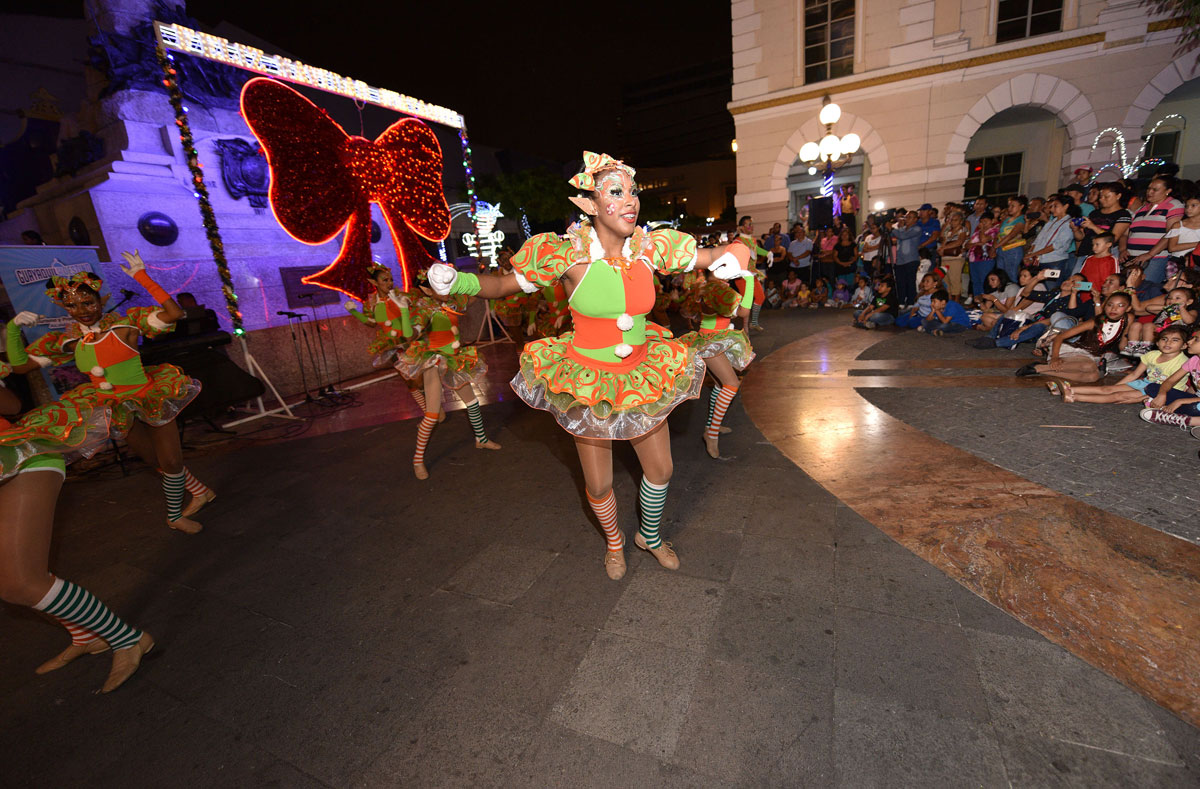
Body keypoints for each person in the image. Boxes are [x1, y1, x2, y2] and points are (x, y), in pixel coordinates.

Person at [426, 151, 752, 579]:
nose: (630, 200)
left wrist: (737, 251)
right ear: (591, 205)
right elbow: (504, 284)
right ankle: (614, 543)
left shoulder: (650, 250)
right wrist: (460, 281)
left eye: (632, 191)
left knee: (662, 469)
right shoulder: (567, 257)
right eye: (616, 192)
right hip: (588, 381)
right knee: (598, 484)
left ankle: (648, 536)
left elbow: (708, 258)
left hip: (643, 373)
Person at [5, 255, 212, 534]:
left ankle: (174, 516)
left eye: (88, 302)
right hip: (112, 405)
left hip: (149, 395)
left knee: (172, 460)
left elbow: (174, 314)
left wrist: (142, 276)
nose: (82, 310)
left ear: (100, 301)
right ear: (64, 307)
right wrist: (13, 328)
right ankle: (201, 492)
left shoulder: (126, 325)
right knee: (152, 460)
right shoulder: (67, 341)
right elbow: (20, 367)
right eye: (72, 305)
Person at [0, 378, 154, 694]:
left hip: (21, 459)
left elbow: (11, 406)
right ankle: (86, 636)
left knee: (20, 583)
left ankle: (128, 639)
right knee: (14, 570)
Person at [393, 274, 501, 479]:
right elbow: (410, 335)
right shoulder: (424, 308)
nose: (445, 289)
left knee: (472, 402)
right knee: (432, 414)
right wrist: (405, 311)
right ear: (426, 290)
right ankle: (417, 460)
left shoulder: (452, 300)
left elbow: (478, 293)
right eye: (438, 286)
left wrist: (493, 278)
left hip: (454, 358)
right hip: (434, 360)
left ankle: (481, 439)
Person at [344, 263, 444, 418]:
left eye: (391, 279)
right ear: (374, 283)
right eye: (385, 280)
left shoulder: (401, 296)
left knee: (420, 380)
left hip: (409, 342)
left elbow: (416, 310)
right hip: (391, 346)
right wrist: (353, 312)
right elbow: (371, 323)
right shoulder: (371, 303)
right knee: (410, 383)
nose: (390, 283)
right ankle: (428, 414)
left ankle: (435, 411)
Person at [680, 270, 755, 458]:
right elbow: (744, 312)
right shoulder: (719, 290)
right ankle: (711, 434)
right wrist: (749, 280)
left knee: (720, 385)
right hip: (712, 342)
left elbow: (689, 312)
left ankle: (712, 425)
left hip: (711, 337)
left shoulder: (703, 286)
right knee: (731, 384)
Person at [1015, 292, 1133, 382]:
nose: (1113, 309)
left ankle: (1039, 369)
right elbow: (1060, 337)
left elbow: (1122, 343)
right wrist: (1055, 357)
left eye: (1120, 305)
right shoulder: (1094, 322)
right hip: (1071, 351)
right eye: (1110, 305)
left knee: (1094, 376)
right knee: (1088, 366)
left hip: (1091, 357)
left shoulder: (1128, 319)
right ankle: (1042, 367)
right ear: (1104, 306)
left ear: (1128, 309)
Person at [1053, 325, 1188, 404]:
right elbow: (1135, 374)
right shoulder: (1152, 355)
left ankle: (1074, 397)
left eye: (1174, 340)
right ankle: (1064, 389)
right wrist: (1116, 387)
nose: (1168, 343)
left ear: (1184, 345)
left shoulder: (1183, 362)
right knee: (1107, 390)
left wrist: (1145, 397)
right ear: (1157, 342)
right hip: (1147, 384)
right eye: (1164, 339)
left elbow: (1172, 385)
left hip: (1165, 391)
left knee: (1117, 396)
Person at [1124, 174, 1185, 284]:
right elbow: (1126, 233)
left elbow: (1171, 233)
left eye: (1155, 189)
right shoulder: (1142, 208)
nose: (1150, 192)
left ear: (1168, 191)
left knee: (1146, 288)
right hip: (1133, 257)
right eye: (1149, 188)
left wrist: (1150, 254)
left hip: (1156, 258)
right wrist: (1122, 249)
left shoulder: (1173, 205)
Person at [1141, 330, 1200, 428]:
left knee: (1196, 408)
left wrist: (1180, 401)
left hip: (1196, 404)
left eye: (1196, 340)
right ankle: (1173, 412)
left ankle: (1181, 419)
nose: (1189, 342)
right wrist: (1162, 394)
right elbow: (1170, 381)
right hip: (1194, 399)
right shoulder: (1194, 360)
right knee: (1152, 388)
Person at [1024, 194, 1075, 283]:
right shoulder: (1051, 222)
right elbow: (1038, 240)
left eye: (1055, 206)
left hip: (1055, 261)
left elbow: (1056, 246)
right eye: (1051, 207)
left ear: (1066, 206)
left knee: (1051, 288)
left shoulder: (1068, 223)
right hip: (1041, 260)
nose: (1051, 209)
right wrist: (1030, 253)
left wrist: (1033, 254)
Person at [889, 211, 922, 308]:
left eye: (910, 217)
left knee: (910, 281)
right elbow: (892, 236)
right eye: (907, 217)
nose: (907, 219)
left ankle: (911, 302)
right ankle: (901, 301)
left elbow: (903, 236)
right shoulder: (901, 229)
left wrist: (892, 228)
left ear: (915, 219)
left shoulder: (917, 229)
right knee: (900, 282)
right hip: (900, 260)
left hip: (911, 259)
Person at [966, 212, 998, 302]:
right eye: (982, 221)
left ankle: (986, 302)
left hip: (985, 259)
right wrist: (977, 243)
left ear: (992, 221)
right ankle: (978, 302)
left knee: (985, 280)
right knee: (975, 281)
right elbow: (967, 245)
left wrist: (982, 231)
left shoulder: (993, 230)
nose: (983, 223)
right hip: (973, 260)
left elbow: (984, 240)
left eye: (986, 221)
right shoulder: (976, 233)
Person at [994, 196, 1028, 281]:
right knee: (1001, 276)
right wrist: (994, 246)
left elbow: (1011, 235)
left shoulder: (1021, 219)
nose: (1010, 208)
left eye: (1013, 206)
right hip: (1001, 249)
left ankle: (1013, 293)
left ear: (1021, 207)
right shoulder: (1006, 219)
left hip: (1013, 249)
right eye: (1009, 206)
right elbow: (998, 234)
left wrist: (996, 246)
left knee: (1011, 275)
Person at [938, 210, 968, 302]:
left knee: (955, 280)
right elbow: (941, 238)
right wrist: (945, 225)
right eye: (951, 220)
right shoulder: (949, 231)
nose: (952, 222)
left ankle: (956, 302)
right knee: (946, 280)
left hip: (956, 258)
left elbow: (959, 242)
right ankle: (949, 301)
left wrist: (944, 248)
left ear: (961, 221)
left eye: (955, 220)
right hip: (945, 258)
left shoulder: (963, 230)